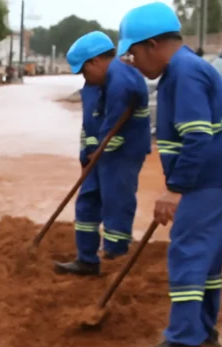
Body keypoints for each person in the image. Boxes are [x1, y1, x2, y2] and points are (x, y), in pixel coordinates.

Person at [117, 2, 222, 347]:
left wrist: (175, 189)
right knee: (206, 257)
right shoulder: (185, 69)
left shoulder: (184, 73)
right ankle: (203, 331)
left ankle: (183, 343)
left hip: (210, 177)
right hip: (221, 176)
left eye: (132, 53)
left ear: (153, 45)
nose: (133, 62)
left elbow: (196, 137)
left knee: (188, 252)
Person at [55, 31, 152, 276]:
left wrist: (100, 151)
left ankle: (115, 256)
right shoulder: (92, 85)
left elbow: (114, 127)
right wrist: (85, 155)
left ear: (95, 61)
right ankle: (86, 260)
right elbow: (89, 124)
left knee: (116, 200)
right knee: (87, 201)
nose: (83, 77)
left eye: (84, 70)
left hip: (123, 154)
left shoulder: (123, 80)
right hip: (97, 154)